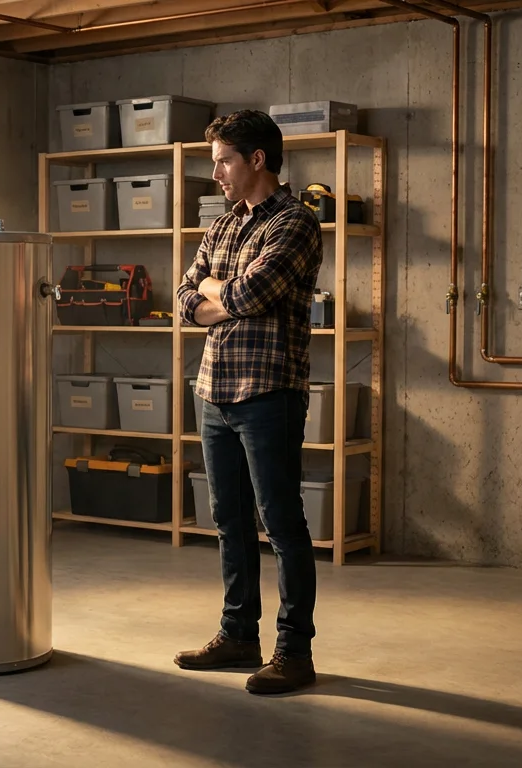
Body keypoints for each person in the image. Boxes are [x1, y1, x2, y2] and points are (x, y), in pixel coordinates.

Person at [172, 110, 324, 695]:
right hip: (214, 390)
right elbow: (187, 295)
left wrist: (219, 292)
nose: (216, 173)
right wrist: (218, 294)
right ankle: (239, 635)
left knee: (282, 523)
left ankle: (294, 652)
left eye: (224, 160)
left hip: (268, 393)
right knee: (229, 521)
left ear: (257, 159)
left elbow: (250, 292)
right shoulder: (224, 224)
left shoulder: (296, 223)